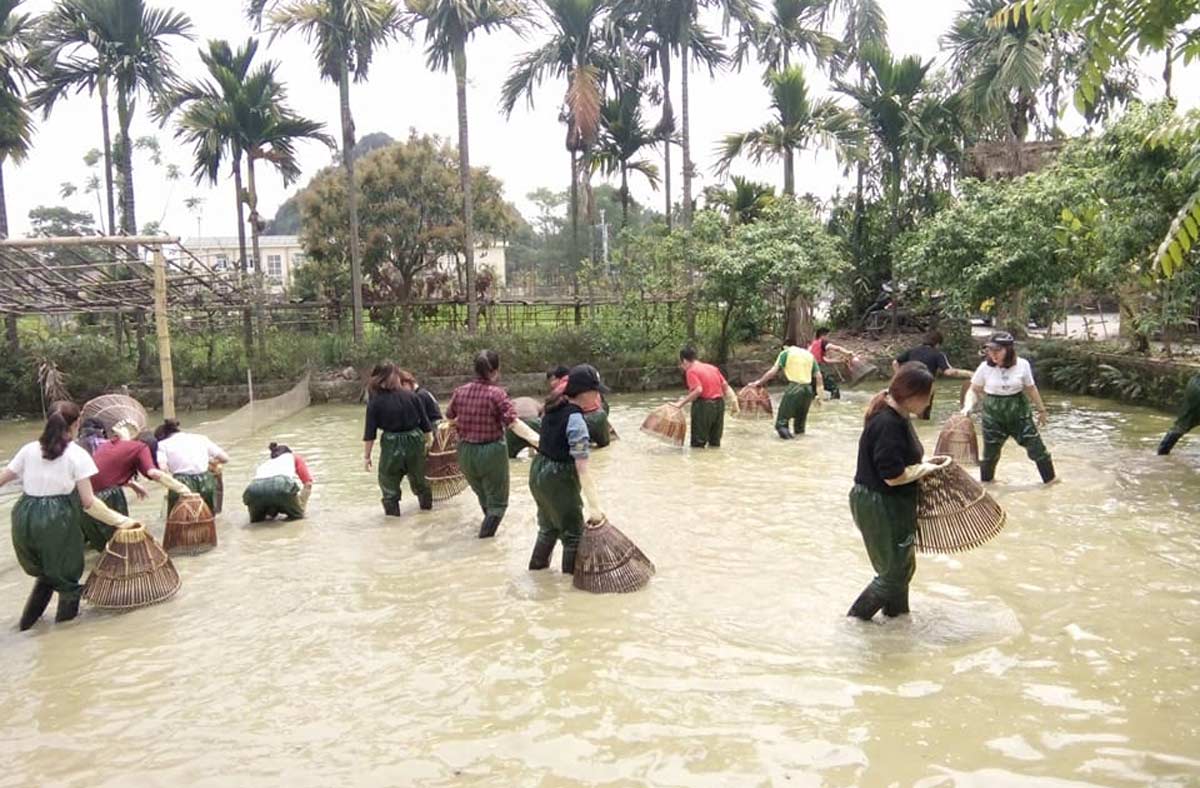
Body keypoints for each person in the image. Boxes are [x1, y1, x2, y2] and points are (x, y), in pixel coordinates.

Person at [0, 402, 137, 630]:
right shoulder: (77, 455)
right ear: (77, 423)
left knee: (47, 573)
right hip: (56, 520)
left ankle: (25, 628)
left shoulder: (29, 449)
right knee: (69, 580)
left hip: (24, 517)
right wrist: (122, 521)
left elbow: (3, 478)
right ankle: (64, 634)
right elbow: (88, 502)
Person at [847, 365, 941, 621]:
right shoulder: (887, 423)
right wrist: (925, 469)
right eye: (929, 394)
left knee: (902, 568)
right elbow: (892, 476)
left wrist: (925, 465)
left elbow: (901, 462)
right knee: (892, 575)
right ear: (913, 395)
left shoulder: (900, 415)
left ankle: (897, 622)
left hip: (892, 502)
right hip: (879, 503)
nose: (931, 400)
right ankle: (853, 624)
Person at [446, 350, 541, 538]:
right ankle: (483, 541)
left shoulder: (460, 392)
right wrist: (539, 440)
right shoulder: (497, 394)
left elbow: (449, 416)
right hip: (491, 452)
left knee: (484, 496)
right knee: (498, 504)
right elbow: (513, 423)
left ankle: (488, 541)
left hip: (465, 452)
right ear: (496, 371)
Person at [527, 365, 608, 575]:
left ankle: (536, 573)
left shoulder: (553, 408)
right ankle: (570, 586)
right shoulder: (576, 420)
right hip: (558, 477)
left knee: (548, 528)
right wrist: (595, 507)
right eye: (596, 391)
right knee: (573, 535)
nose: (598, 396)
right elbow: (582, 468)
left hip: (538, 472)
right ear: (585, 393)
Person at [82, 420, 191, 551]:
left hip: (83, 498)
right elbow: (154, 473)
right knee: (121, 543)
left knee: (102, 548)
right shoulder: (140, 447)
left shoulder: (107, 444)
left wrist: (131, 484)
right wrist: (184, 490)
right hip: (105, 498)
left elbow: (105, 471)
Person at [961, 332, 1056, 484]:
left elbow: (1031, 389)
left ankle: (1051, 482)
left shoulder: (1023, 365)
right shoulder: (985, 367)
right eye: (990, 350)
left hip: (1019, 411)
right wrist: (967, 407)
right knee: (989, 455)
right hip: (993, 413)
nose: (993, 354)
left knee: (1037, 449)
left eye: (997, 350)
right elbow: (974, 389)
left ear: (1009, 349)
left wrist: (1042, 411)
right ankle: (987, 486)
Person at [363, 362, 433, 516]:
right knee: (421, 481)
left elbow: (370, 434)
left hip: (391, 444)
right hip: (415, 441)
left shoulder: (374, 402)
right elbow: (426, 424)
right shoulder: (412, 396)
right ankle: (427, 513)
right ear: (393, 377)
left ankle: (392, 522)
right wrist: (429, 442)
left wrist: (367, 456)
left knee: (389, 484)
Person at [750, 342, 824, 440]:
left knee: (781, 424)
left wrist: (759, 382)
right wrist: (820, 396)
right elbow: (819, 377)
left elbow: (773, 372)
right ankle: (801, 448)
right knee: (799, 427)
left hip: (794, 388)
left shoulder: (785, 353)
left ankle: (791, 446)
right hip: (808, 391)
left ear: (785, 347)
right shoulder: (809, 355)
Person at [155, 419, 230, 513]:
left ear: (162, 437)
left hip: (181, 483)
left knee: (179, 518)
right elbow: (225, 458)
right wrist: (208, 462)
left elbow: (163, 468)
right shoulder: (201, 438)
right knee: (207, 516)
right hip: (206, 482)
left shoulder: (162, 444)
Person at [674, 347, 740, 448]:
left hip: (704, 407)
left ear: (684, 360)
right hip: (719, 405)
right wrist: (734, 402)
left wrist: (680, 403)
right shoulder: (712, 368)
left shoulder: (691, 371)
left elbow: (698, 390)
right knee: (715, 443)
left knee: (698, 445)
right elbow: (725, 386)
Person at [244, 442, 314, 522]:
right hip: (281, 485)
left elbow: (265, 488)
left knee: (257, 523)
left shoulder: (266, 463)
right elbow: (308, 484)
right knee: (298, 518)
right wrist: (301, 509)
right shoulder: (294, 457)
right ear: (289, 452)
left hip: (253, 490)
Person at [892, 331, 973, 380]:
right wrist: (970, 373)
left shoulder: (912, 350)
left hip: (907, 382)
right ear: (937, 344)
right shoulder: (938, 354)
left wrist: (898, 375)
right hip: (925, 385)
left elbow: (895, 362)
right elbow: (949, 372)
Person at [1158, 373, 1200, 455]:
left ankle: (1162, 455)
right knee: (1183, 424)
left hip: (1195, 388)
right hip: (1197, 391)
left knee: (1182, 425)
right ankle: (1162, 455)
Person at [809, 328, 856, 400]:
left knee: (815, 394)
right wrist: (848, 352)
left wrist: (839, 361)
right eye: (828, 336)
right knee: (835, 389)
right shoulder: (823, 342)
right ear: (822, 335)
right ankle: (834, 404)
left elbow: (824, 360)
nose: (828, 338)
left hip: (808, 373)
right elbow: (837, 348)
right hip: (817, 371)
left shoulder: (812, 345)